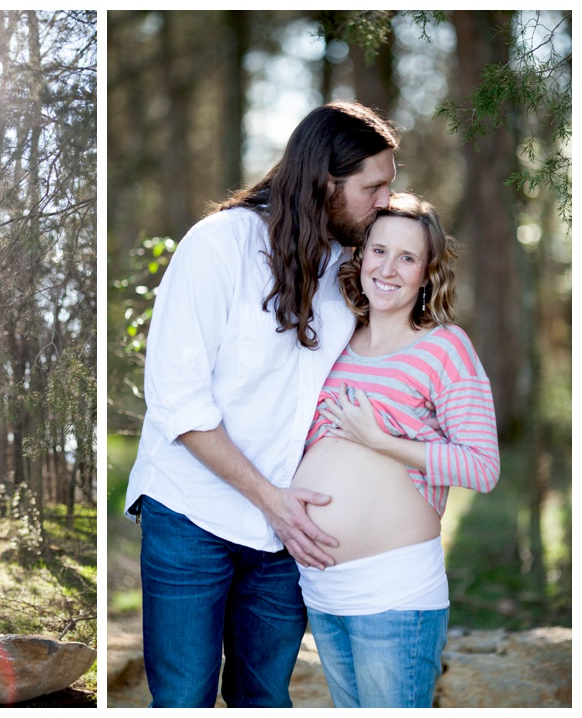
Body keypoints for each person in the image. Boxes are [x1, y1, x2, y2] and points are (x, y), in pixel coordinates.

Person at [124, 100, 399, 708]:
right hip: (190, 515)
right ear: (326, 180)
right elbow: (178, 401)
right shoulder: (219, 244)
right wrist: (270, 499)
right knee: (183, 698)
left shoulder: (352, 268)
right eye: (372, 187)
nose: (384, 202)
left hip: (287, 531)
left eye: (389, 186)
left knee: (264, 697)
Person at [292, 193, 500, 707]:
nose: (388, 269)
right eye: (378, 251)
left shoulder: (444, 347)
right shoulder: (336, 339)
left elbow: (482, 467)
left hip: (396, 594)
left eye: (407, 258)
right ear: (360, 258)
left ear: (427, 273)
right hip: (322, 592)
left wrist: (381, 442)